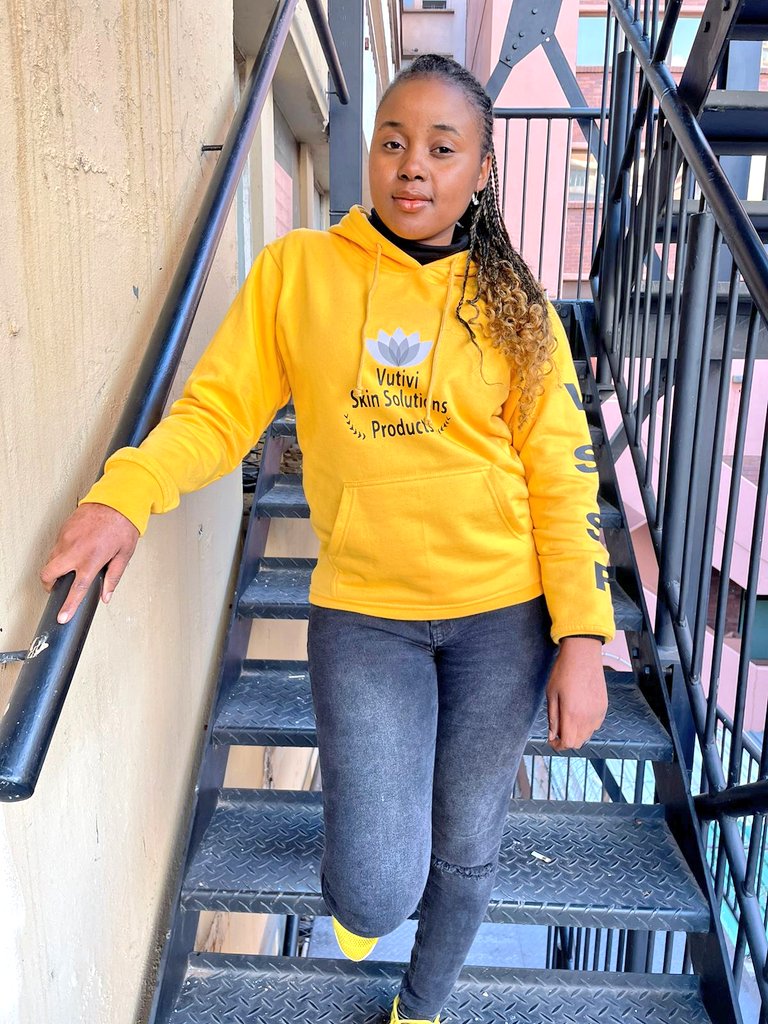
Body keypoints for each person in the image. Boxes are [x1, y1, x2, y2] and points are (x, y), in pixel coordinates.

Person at [41, 55, 615, 1024]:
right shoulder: (298, 273)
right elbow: (218, 412)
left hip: (503, 618)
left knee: (467, 843)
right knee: (374, 888)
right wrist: (125, 496)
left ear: (482, 170)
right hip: (366, 617)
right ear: (370, 154)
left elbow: (563, 477)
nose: (413, 165)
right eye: (393, 141)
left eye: (443, 148)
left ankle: (420, 1006)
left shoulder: (518, 311)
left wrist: (583, 637)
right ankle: (369, 895)